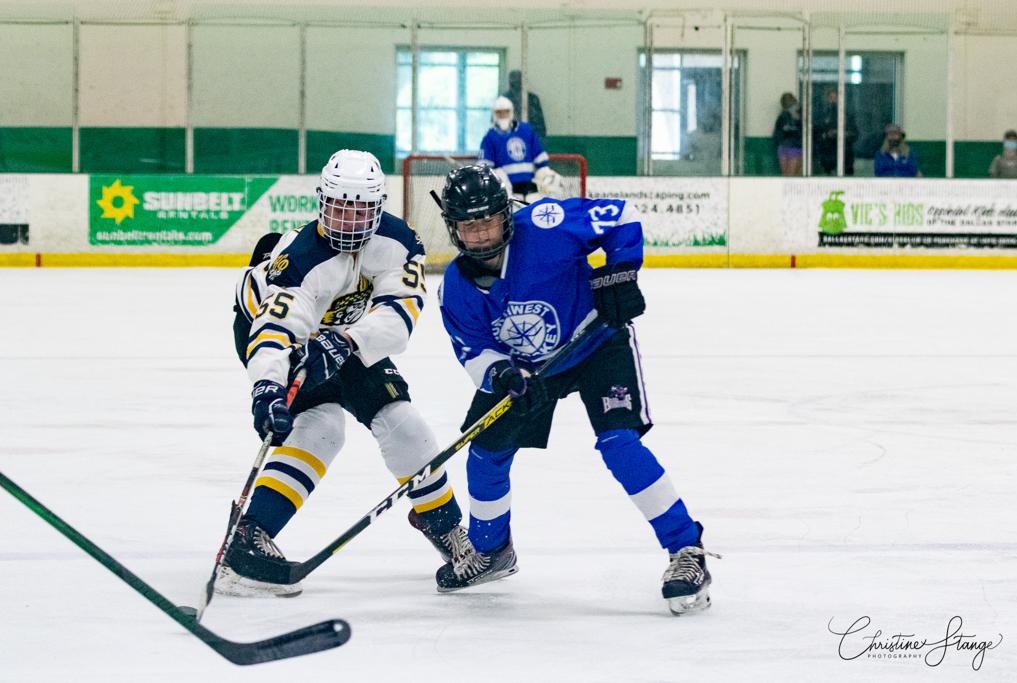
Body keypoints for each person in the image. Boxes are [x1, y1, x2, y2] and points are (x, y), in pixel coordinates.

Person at [430, 164, 717, 615]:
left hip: (596, 342)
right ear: (453, 228)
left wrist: (619, 272)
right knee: (486, 452)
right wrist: (503, 375)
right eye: (469, 225)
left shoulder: (547, 225)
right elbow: (474, 350)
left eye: (488, 221)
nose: (481, 234)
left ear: (507, 215)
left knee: (619, 442)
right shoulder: (456, 288)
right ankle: (491, 551)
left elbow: (623, 216)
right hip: (529, 368)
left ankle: (686, 548)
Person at [216, 150, 470, 596]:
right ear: (321, 202)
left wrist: (347, 341)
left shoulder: (399, 241)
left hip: (347, 336)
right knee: (323, 426)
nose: (348, 221)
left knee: (403, 422)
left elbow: (398, 316)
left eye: (360, 210)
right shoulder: (300, 257)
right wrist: (267, 389)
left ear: (378, 208)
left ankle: (447, 528)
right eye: (338, 208)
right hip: (273, 333)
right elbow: (275, 329)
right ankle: (249, 538)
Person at [479, 96, 558, 203]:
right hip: (508, 190)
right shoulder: (489, 136)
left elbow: (540, 159)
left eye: (506, 112)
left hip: (531, 187)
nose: (503, 115)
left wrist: (544, 175)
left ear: (511, 112)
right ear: (494, 114)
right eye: (499, 112)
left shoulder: (526, 130)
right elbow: (485, 167)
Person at [815, 88, 859, 175]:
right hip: (827, 156)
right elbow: (815, 135)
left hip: (845, 157)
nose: (833, 101)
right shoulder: (821, 115)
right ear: (826, 99)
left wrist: (842, 133)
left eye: (836, 98)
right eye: (831, 98)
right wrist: (826, 135)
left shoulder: (848, 115)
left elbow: (855, 134)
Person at [502, 69, 547, 141]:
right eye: (513, 83)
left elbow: (541, 127)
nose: (516, 85)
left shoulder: (532, 99)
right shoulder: (503, 100)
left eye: (518, 82)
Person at [773, 92, 802, 176]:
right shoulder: (783, 116)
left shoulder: (799, 115)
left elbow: (777, 133)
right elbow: (777, 132)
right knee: (789, 175)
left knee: (788, 175)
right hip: (790, 146)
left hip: (791, 146)